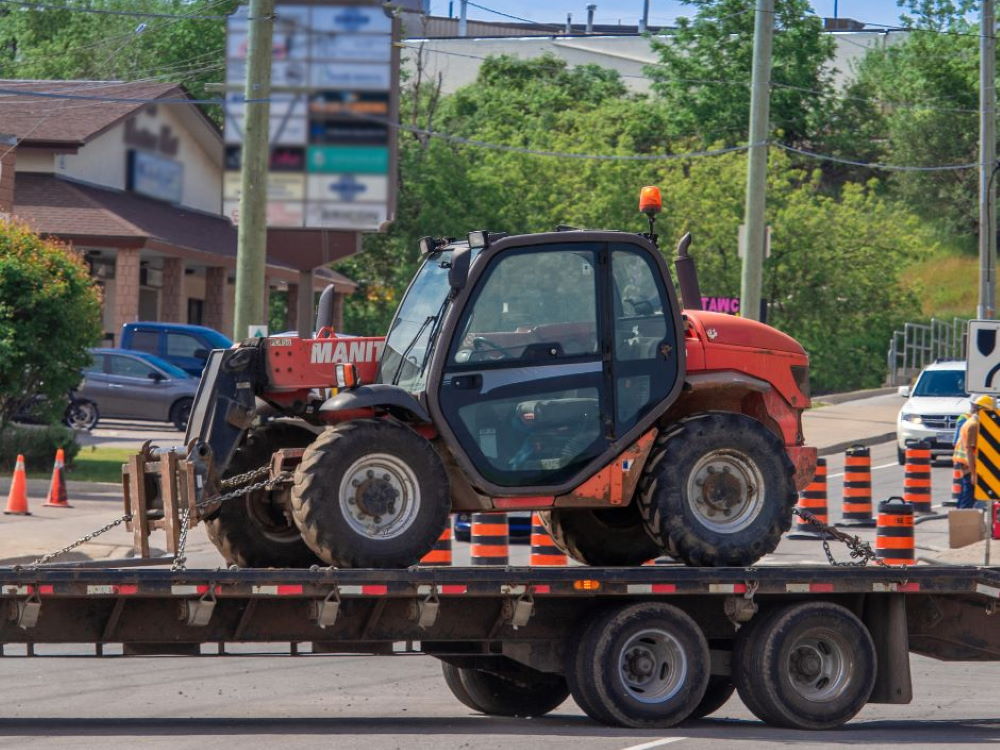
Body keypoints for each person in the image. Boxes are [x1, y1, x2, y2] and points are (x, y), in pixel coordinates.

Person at [953, 394, 995, 509]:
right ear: (982, 410)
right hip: (968, 464)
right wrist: (973, 473)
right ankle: (963, 519)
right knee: (968, 495)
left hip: (968, 463)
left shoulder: (975, 422)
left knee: (966, 494)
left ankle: (960, 517)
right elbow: (970, 451)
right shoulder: (974, 425)